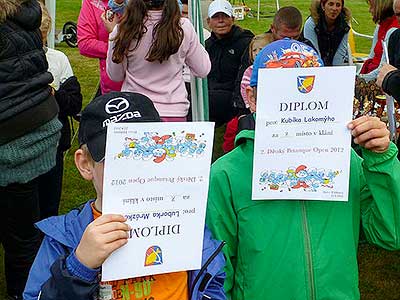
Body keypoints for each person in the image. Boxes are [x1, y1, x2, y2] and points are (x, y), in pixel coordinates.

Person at [206, 39, 400, 299]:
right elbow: (217, 274)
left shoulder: (348, 163)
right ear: (252, 97)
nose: (296, 103)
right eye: (281, 90)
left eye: (309, 87)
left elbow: (390, 233)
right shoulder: (226, 175)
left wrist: (382, 159)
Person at [23, 91, 226, 300]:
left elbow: (212, 285)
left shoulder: (189, 227)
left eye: (148, 153)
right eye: (117, 157)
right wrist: (79, 266)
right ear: (85, 164)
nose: (136, 169)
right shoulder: (64, 239)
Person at [0, 0, 62, 298]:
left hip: (14, 141)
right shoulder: (24, 17)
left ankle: (22, 292)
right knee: (28, 227)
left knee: (22, 236)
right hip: (39, 126)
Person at [106, 0, 210, 122]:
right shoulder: (183, 27)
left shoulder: (123, 29)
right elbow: (203, 69)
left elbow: (115, 75)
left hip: (135, 110)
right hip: (173, 110)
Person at [37, 2, 83, 219]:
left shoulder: (58, 59)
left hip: (53, 145)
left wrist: (54, 93)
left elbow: (75, 104)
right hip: (17, 146)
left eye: (43, 37)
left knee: (48, 205)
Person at [205, 0, 254, 126]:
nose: (221, 21)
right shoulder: (206, 45)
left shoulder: (246, 42)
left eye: (225, 16)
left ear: (233, 19)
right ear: (208, 22)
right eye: (216, 17)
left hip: (235, 97)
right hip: (211, 93)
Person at [223, 33, 273, 153]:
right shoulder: (249, 71)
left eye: (261, 49)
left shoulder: (274, 69)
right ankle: (229, 151)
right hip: (251, 108)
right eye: (254, 50)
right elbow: (244, 89)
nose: (257, 53)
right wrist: (249, 106)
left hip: (270, 110)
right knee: (233, 126)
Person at [77, 0, 123, 95]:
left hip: (145, 82)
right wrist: (116, 47)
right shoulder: (92, 2)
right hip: (112, 86)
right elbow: (85, 43)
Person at [359, 0, 400, 81]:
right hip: (371, 73)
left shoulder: (393, 31)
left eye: (372, 6)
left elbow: (384, 68)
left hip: (379, 78)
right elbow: (371, 56)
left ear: (380, 6)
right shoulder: (380, 26)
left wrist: (360, 79)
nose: (369, 10)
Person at [303, 0, 351, 66]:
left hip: (332, 63)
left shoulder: (345, 24)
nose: (334, 9)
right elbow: (313, 54)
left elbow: (340, 54)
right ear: (323, 6)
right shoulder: (311, 23)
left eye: (338, 5)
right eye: (331, 4)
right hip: (311, 62)